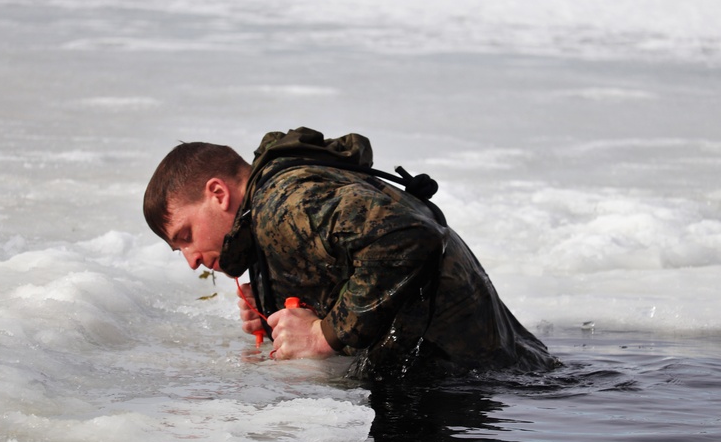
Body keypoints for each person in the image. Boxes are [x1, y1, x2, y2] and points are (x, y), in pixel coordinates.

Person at [143, 127, 559, 382]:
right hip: (495, 374)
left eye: (185, 236)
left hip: (485, 383)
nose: (192, 260)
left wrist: (324, 335)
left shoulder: (285, 201)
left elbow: (408, 236)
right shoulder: (277, 199)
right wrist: (287, 321)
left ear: (217, 193)